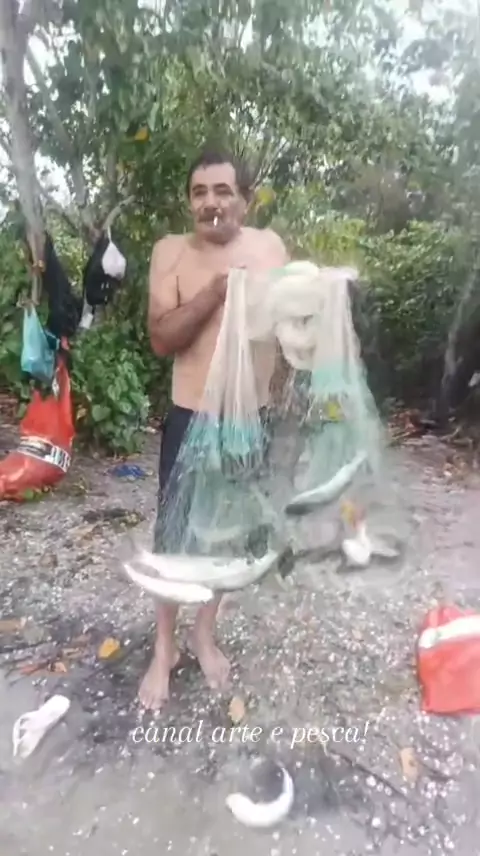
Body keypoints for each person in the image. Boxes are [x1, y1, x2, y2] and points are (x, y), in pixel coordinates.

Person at [139, 146, 289, 711]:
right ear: (189, 202)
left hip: (249, 419)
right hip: (190, 416)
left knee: (228, 536)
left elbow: (292, 325)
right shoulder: (171, 253)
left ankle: (203, 633)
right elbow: (162, 339)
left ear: (244, 200)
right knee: (174, 537)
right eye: (199, 192)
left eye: (223, 191)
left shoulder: (270, 249)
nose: (211, 202)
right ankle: (164, 647)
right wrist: (217, 292)